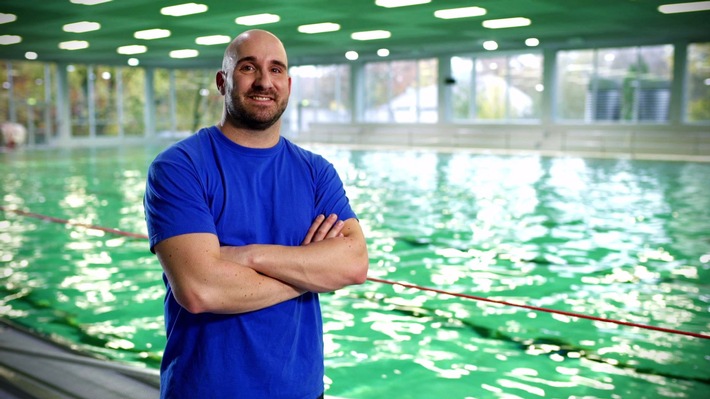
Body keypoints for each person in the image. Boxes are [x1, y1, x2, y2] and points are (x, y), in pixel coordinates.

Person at [143, 29, 369, 399]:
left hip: (302, 390)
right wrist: (311, 271)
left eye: (276, 70)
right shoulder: (180, 167)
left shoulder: (316, 171)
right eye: (249, 67)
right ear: (223, 81)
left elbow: (354, 265)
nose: (265, 81)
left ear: (289, 84)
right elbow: (200, 289)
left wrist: (245, 256)